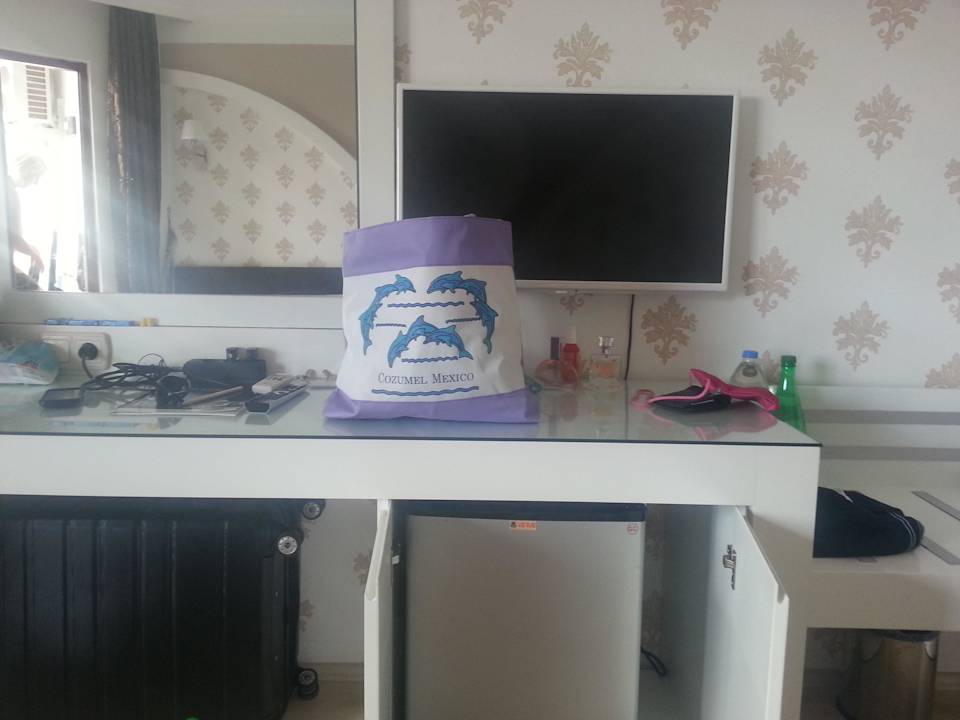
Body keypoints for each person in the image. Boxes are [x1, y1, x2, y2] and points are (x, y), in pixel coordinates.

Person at [5, 155, 47, 288]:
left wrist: (29, 248)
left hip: (5, 266)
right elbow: (12, 237)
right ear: (27, 171)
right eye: (36, 176)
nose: (36, 182)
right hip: (3, 268)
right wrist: (32, 253)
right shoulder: (9, 193)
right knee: (36, 293)